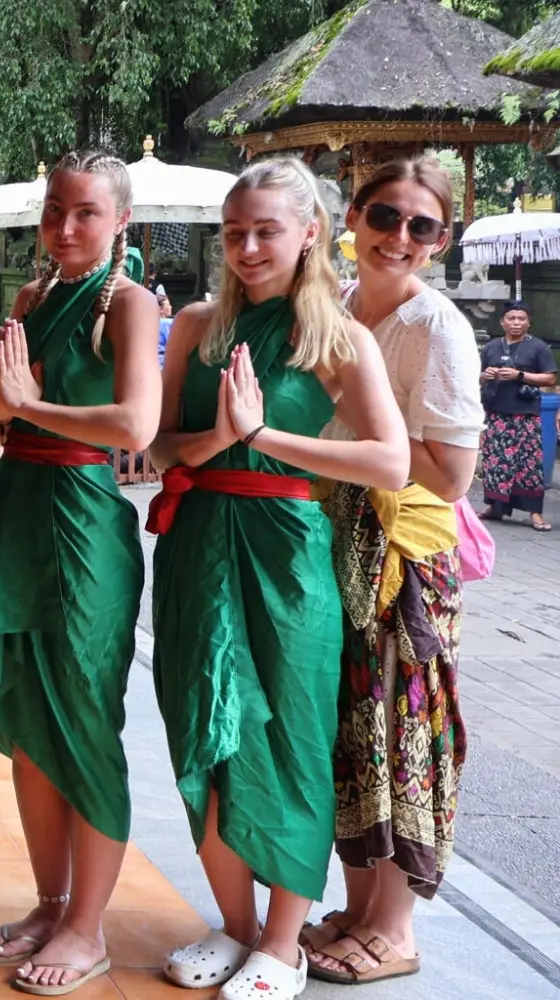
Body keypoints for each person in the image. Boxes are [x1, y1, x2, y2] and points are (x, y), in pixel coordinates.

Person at [149, 157, 408, 1000]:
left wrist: (262, 438)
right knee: (203, 730)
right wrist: (222, 441)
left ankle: (283, 942)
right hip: (196, 544)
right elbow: (158, 444)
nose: (249, 247)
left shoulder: (337, 337)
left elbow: (391, 461)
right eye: (235, 232)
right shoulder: (198, 325)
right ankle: (235, 926)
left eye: (267, 230)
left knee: (291, 737)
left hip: (288, 553)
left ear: (310, 233)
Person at [0, 149, 159, 994]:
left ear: (121, 220)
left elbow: (135, 424)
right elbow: (0, 415)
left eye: (86, 212)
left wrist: (29, 405)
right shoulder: (31, 298)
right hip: (19, 506)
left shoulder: (130, 303)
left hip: (83, 516)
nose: (67, 226)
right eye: (56, 210)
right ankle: (51, 904)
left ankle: (89, 927)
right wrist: (3, 399)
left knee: (83, 717)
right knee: (28, 720)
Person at [305, 156, 485, 985]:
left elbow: (450, 476)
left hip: (403, 552)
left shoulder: (436, 325)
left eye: (422, 225)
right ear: (353, 217)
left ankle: (397, 928)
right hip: (335, 535)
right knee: (352, 729)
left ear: (440, 239)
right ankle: (357, 908)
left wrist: (355, 407)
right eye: (384, 216)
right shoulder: (336, 306)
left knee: (400, 726)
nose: (399, 237)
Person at [478, 301, 555, 529]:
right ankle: (495, 507)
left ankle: (535, 513)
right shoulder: (492, 346)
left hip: (526, 415)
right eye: (511, 318)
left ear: (528, 323)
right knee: (495, 463)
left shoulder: (538, 347)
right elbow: (477, 377)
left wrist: (519, 375)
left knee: (528, 465)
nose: (516, 323)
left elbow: (550, 378)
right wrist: (485, 375)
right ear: (502, 322)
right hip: (496, 413)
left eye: (521, 319)